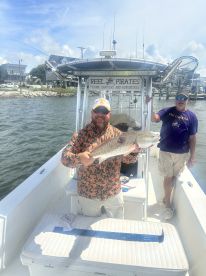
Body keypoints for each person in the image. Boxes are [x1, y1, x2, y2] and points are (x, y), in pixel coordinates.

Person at [61, 98, 139, 218]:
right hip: (88, 194)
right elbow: (65, 159)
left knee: (116, 227)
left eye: (104, 112)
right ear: (92, 113)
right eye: (97, 111)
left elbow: (128, 160)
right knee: (88, 227)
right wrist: (79, 158)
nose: (100, 115)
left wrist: (133, 152)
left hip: (113, 192)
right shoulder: (81, 135)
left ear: (109, 115)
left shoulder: (119, 135)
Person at [150, 90, 198, 220]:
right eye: (178, 97)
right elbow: (154, 119)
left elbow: (193, 138)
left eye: (183, 98)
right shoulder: (167, 111)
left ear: (187, 100)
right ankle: (168, 203)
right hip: (165, 151)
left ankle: (167, 198)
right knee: (168, 177)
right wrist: (150, 105)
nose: (180, 100)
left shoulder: (192, 116)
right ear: (175, 99)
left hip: (182, 154)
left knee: (175, 177)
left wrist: (192, 156)